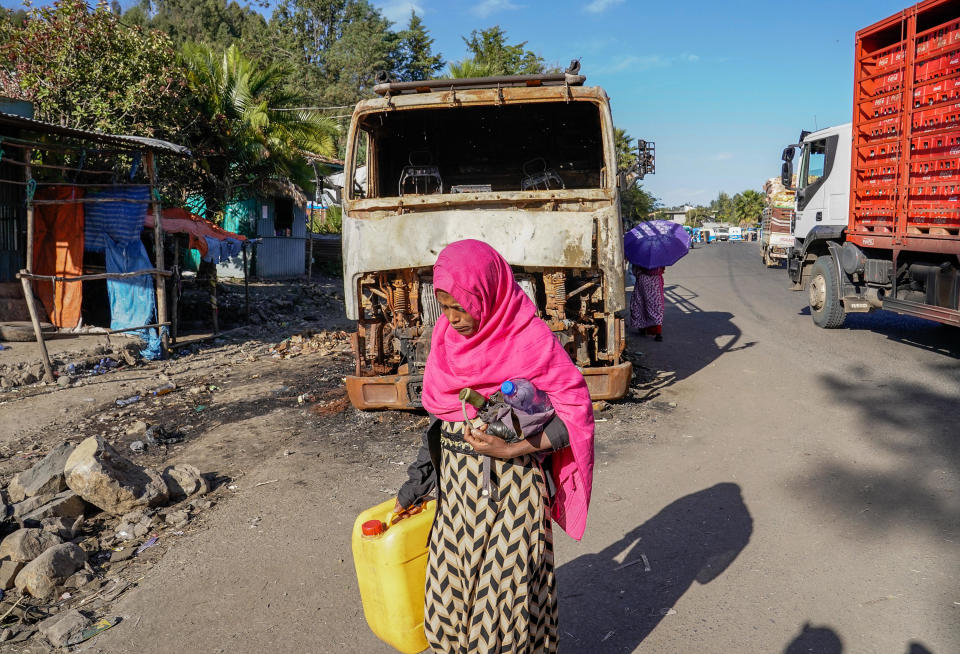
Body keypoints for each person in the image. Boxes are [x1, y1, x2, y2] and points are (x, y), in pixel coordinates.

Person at [395, 239, 595, 654]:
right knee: (449, 608)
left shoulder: (531, 339)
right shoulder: (444, 339)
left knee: (503, 613)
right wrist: (414, 486)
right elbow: (439, 421)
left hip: (514, 496)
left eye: (461, 307)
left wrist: (510, 450)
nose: (453, 319)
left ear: (488, 292)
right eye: (444, 306)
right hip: (457, 503)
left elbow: (572, 417)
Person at [630, 264, 665, 341]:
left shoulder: (639, 255)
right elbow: (662, 269)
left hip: (643, 281)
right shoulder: (659, 255)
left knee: (641, 304)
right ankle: (658, 333)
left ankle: (642, 327)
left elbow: (635, 271)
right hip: (656, 281)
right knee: (656, 306)